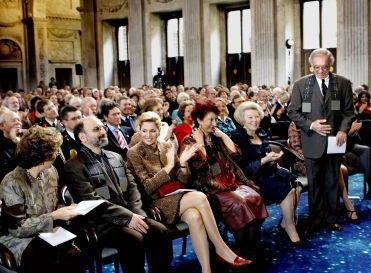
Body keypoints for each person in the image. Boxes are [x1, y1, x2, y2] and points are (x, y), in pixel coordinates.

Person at [126, 112, 251, 272]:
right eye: (144, 131)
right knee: (200, 197)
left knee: (195, 217)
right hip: (156, 202)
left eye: (152, 130)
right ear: (139, 131)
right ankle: (221, 249)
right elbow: (147, 187)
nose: (148, 135)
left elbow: (184, 180)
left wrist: (182, 163)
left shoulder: (166, 146)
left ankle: (207, 270)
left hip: (177, 195)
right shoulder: (134, 152)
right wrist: (170, 166)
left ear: (159, 131)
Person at [62, 116, 173, 273]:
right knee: (135, 239)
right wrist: (128, 218)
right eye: (96, 129)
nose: (103, 131)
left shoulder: (115, 156)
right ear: (82, 137)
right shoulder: (74, 166)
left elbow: (132, 188)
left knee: (160, 231)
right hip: (102, 222)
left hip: (130, 213)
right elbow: (91, 200)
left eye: (102, 127)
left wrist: (137, 214)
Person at [181, 101, 268, 259]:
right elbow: (198, 166)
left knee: (254, 197)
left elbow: (236, 154)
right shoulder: (189, 140)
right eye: (211, 120)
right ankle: (243, 251)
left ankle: (251, 247)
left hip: (229, 181)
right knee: (240, 204)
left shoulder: (215, 137)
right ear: (199, 120)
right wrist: (200, 142)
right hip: (209, 186)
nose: (215, 123)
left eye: (216, 119)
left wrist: (222, 134)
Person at [288, 48, 355, 233]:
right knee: (315, 184)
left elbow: (349, 113)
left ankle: (331, 218)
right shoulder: (301, 84)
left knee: (332, 181)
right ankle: (316, 219)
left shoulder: (342, 83)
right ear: (311, 66)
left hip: (335, 142)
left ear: (330, 65)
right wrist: (311, 125)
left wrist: (343, 130)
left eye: (324, 67)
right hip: (312, 141)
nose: (320, 71)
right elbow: (292, 111)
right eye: (316, 67)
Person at [0, 127, 85, 272]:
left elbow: (53, 203)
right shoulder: (12, 181)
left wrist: (66, 210)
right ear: (42, 155)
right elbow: (17, 229)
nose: (57, 154)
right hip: (20, 240)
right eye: (54, 151)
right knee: (50, 259)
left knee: (77, 253)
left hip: (48, 231)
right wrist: (54, 216)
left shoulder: (51, 171)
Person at [231, 102, 304, 247]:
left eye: (257, 117)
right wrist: (265, 160)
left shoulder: (262, 133)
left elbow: (267, 156)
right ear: (243, 119)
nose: (254, 120)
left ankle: (284, 222)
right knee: (286, 189)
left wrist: (273, 160)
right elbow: (243, 168)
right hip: (251, 179)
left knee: (297, 185)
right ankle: (290, 227)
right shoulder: (237, 137)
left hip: (268, 172)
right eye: (250, 117)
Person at [0, 108, 22, 182]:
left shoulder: (25, 138)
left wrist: (16, 140)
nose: (18, 123)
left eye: (18, 120)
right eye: (13, 120)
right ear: (2, 126)